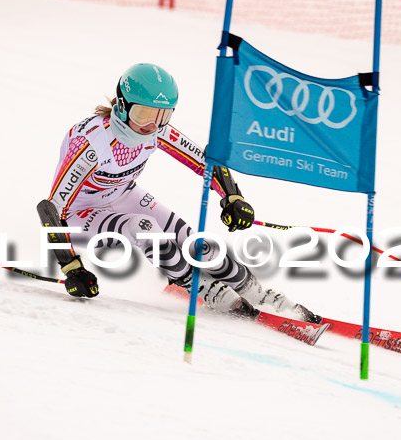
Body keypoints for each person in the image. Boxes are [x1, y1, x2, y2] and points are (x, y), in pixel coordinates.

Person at [37, 63, 321, 324]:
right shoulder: (93, 144)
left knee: (198, 244)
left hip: (122, 194)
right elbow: (51, 210)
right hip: (79, 215)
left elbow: (204, 161)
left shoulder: (156, 132)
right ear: (122, 107)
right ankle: (197, 285)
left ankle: (255, 291)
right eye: (144, 115)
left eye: (162, 116)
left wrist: (233, 196)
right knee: (144, 227)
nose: (152, 126)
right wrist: (72, 268)